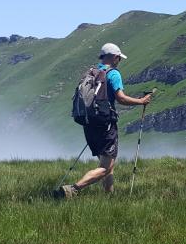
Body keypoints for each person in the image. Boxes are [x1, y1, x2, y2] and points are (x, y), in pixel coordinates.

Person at [57, 42, 153, 198]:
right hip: (105, 124)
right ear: (115, 57)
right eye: (119, 58)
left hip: (89, 122)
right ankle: (72, 189)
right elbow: (121, 98)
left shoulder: (92, 72)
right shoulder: (113, 74)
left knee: (108, 163)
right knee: (106, 167)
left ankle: (109, 197)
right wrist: (141, 101)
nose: (119, 61)